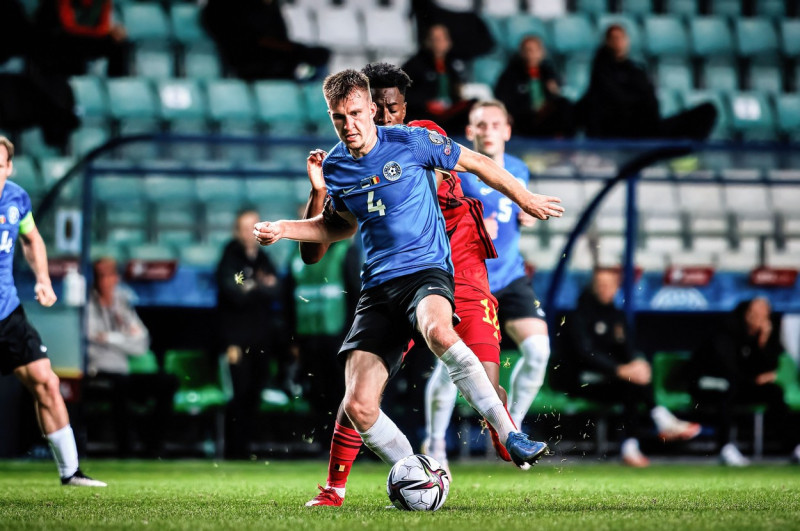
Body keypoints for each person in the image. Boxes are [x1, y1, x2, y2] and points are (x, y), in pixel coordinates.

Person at [254, 69, 564, 504]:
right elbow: (334, 230)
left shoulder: (412, 141)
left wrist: (523, 197)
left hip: (426, 272)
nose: (351, 125)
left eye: (358, 113)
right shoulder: (338, 166)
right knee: (359, 404)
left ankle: (510, 433)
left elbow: (475, 162)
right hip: (378, 290)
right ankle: (418, 473)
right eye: (339, 118)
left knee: (438, 330)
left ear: (372, 110)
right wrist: (284, 227)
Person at [425, 100, 553, 454]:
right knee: (454, 366)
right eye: (481, 125)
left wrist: (523, 217)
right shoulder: (453, 173)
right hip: (468, 281)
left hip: (510, 277)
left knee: (539, 349)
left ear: (508, 131)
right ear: (470, 132)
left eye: (496, 124)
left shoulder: (518, 169)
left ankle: (511, 427)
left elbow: (514, 211)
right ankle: (435, 444)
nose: (489, 131)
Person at [0, 136, 105, 486]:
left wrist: (43, 279)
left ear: (9, 167)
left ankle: (70, 472)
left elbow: (31, 239)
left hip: (8, 312)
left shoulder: (16, 197)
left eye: (0, 166)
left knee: (47, 382)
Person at [550, 268, 701, 467]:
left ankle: (632, 444)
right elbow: (585, 354)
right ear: (593, 287)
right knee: (628, 383)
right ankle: (659, 419)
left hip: (610, 379)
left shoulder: (616, 315)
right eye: (600, 285)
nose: (605, 289)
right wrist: (619, 370)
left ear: (616, 288)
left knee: (632, 383)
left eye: (609, 285)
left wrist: (636, 366)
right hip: (579, 379)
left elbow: (627, 348)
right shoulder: (578, 315)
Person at [216, 208, 292, 459]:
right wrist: (259, 284)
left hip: (261, 339)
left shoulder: (263, 258)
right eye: (245, 227)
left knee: (254, 393)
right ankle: (232, 451)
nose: (250, 233)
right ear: (237, 230)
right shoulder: (230, 256)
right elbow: (234, 291)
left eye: (254, 226)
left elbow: (277, 290)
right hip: (237, 341)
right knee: (238, 394)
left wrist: (253, 285)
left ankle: (246, 448)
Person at [84, 257, 176, 457]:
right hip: (97, 371)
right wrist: (124, 340)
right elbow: (90, 341)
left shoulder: (122, 303)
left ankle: (153, 447)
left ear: (116, 278)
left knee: (167, 382)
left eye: (109, 275)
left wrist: (109, 338)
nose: (105, 281)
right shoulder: (86, 305)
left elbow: (142, 342)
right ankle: (125, 449)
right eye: (100, 276)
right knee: (120, 385)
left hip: (123, 369)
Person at [690, 298, 800, 466]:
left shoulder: (760, 337)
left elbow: (769, 367)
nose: (761, 318)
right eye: (756, 313)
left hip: (741, 384)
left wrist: (763, 341)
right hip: (706, 382)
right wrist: (754, 379)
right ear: (746, 313)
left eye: (765, 314)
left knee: (774, 392)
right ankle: (725, 448)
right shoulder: (727, 331)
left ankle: (793, 447)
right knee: (727, 389)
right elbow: (726, 369)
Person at [579, 24, 716, 139]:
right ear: (607, 42)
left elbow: (650, 103)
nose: (618, 43)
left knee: (707, 110)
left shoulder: (636, 71)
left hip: (647, 129)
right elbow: (615, 99)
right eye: (614, 38)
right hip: (620, 132)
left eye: (622, 38)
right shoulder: (601, 71)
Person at [202, 0, 330, 81]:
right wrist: (298, 50)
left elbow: (279, 38)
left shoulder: (271, 7)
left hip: (278, 62)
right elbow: (248, 40)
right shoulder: (223, 6)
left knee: (317, 63)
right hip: (249, 64)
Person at [494, 35, 575, 138]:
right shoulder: (510, 74)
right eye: (528, 50)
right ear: (522, 53)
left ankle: (566, 144)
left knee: (565, 105)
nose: (531, 54)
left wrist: (554, 90)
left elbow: (556, 95)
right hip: (523, 121)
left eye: (536, 50)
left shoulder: (548, 72)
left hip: (545, 119)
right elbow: (503, 99)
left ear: (542, 52)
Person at [401, 24, 474, 132]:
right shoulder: (413, 65)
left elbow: (457, 91)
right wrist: (426, 103)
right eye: (434, 39)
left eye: (442, 38)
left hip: (448, 112)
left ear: (449, 42)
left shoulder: (454, 64)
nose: (438, 42)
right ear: (427, 41)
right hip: (424, 112)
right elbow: (403, 94)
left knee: (474, 105)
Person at [33, 0, 131, 77]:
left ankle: (117, 88)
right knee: (65, 44)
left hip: (88, 38)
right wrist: (104, 30)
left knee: (120, 43)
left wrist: (111, 31)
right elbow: (68, 25)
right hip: (63, 40)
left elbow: (103, 25)